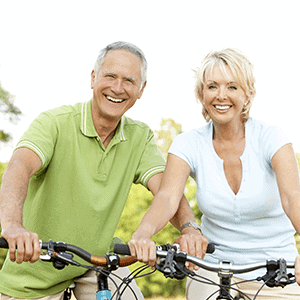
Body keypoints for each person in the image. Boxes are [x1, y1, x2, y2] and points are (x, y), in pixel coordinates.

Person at [0, 41, 202, 300]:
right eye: (110, 76)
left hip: (97, 262)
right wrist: (13, 226)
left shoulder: (138, 136)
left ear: (141, 89)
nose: (118, 88)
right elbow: (20, 166)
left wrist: (188, 228)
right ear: (93, 78)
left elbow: (167, 191)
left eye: (129, 80)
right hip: (37, 265)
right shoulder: (55, 123)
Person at [129, 48, 300, 299]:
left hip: (274, 269)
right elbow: (167, 197)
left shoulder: (271, 138)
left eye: (232, 87)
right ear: (201, 94)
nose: (221, 96)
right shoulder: (188, 144)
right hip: (213, 268)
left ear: (248, 94)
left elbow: (292, 196)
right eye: (212, 86)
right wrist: (142, 235)